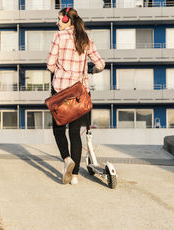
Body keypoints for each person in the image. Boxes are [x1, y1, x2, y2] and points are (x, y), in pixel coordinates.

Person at [46, 7, 105, 185]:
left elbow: (50, 65)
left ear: (66, 20)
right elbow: (101, 64)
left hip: (61, 90)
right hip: (80, 92)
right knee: (74, 133)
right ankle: (75, 176)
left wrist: (60, 71)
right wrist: (91, 71)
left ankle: (66, 160)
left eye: (58, 19)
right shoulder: (85, 38)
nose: (57, 23)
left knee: (58, 129)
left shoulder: (58, 37)